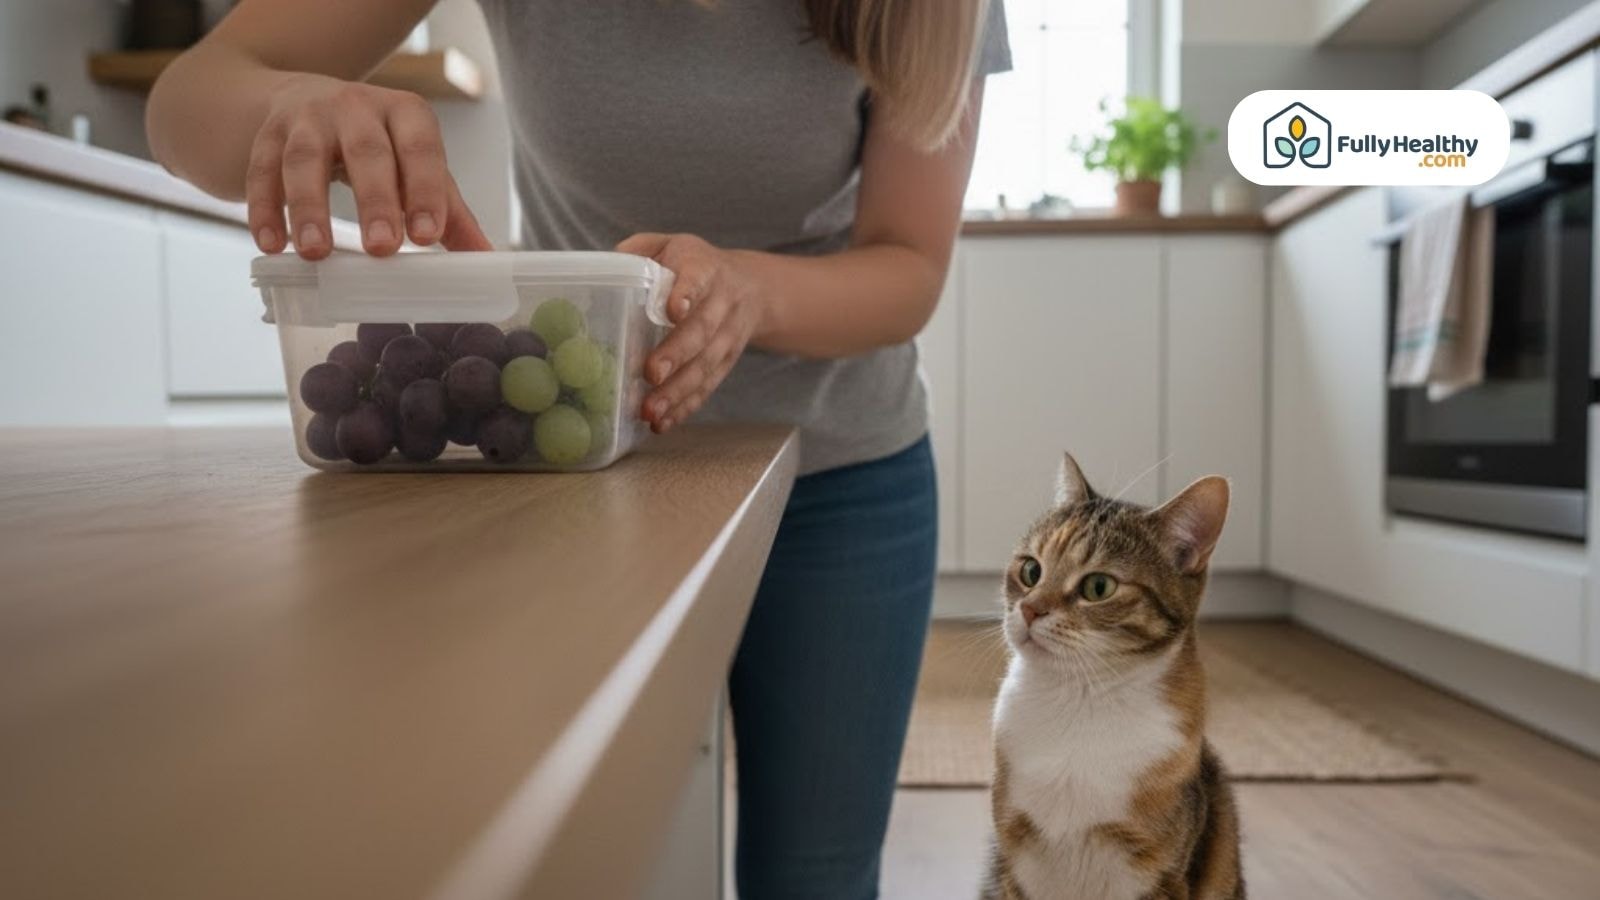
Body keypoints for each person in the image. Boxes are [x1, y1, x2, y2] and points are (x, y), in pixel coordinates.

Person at [148, 2, 1010, 895]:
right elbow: (187, 101)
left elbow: (907, 265)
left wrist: (751, 293)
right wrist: (289, 102)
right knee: (584, 856)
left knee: (816, 877)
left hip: (846, 481)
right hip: (578, 476)